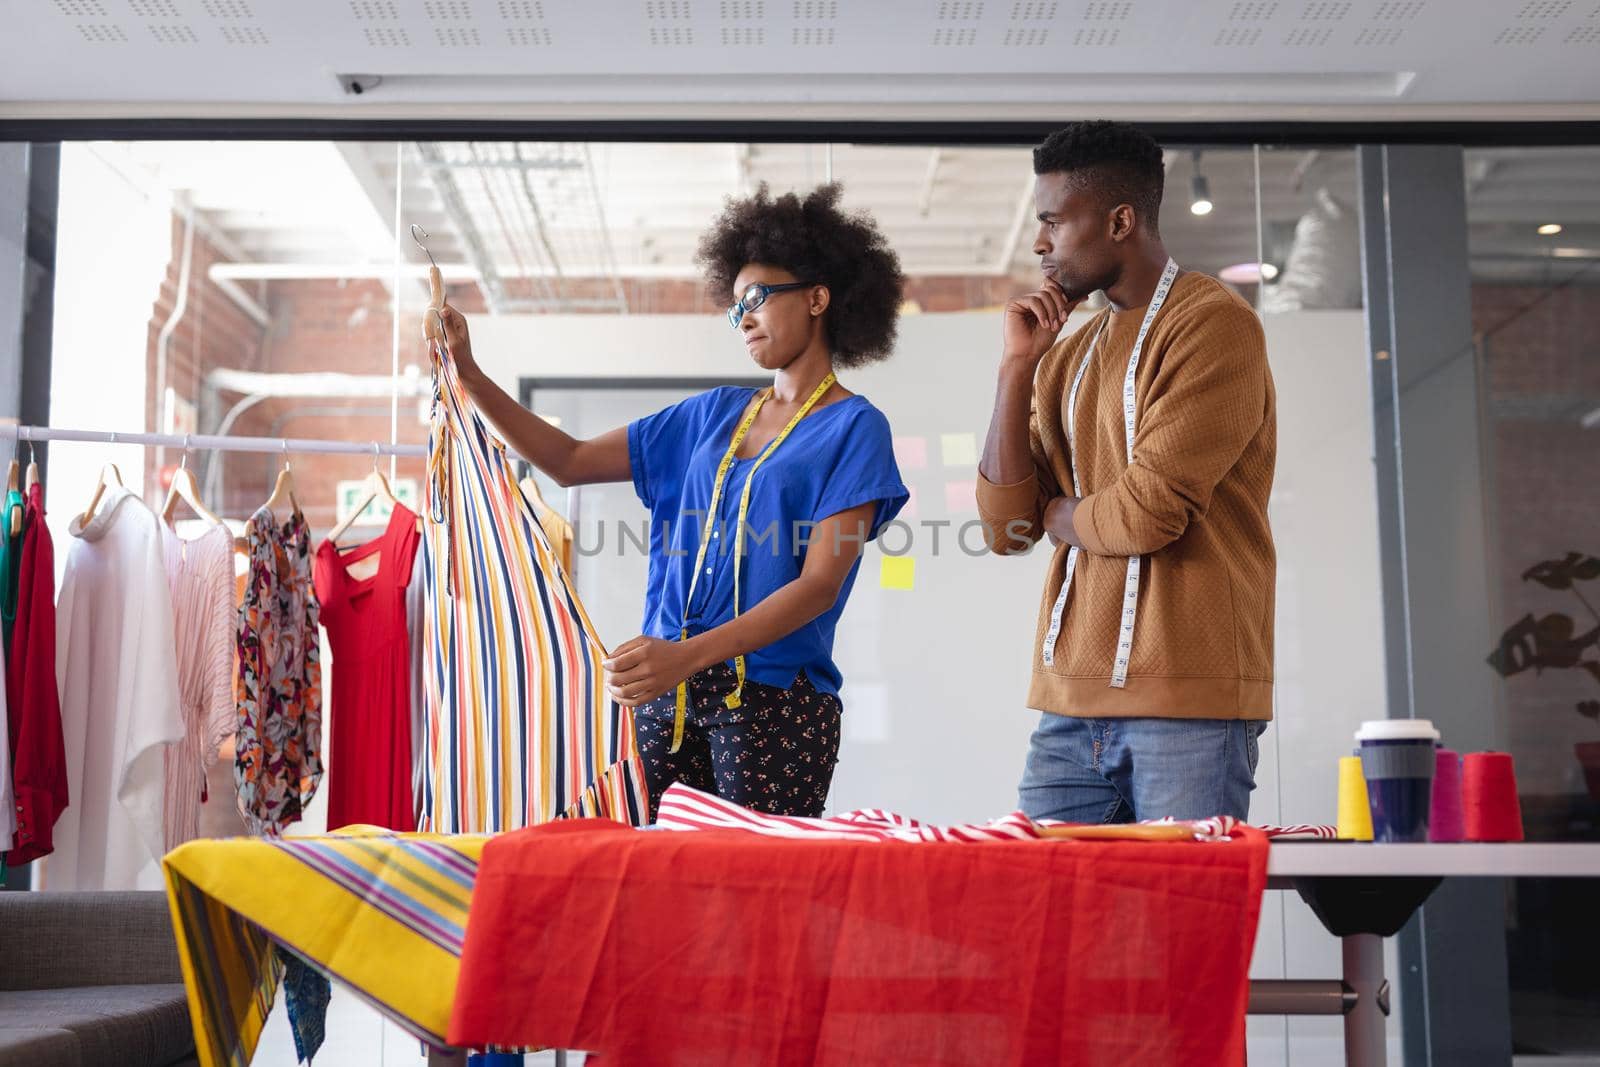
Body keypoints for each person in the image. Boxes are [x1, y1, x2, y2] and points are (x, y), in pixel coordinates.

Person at [435, 183, 908, 821]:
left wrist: (685, 655)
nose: (743, 318)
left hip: (774, 708)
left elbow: (821, 584)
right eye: (736, 305)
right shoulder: (710, 416)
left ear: (818, 298)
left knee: (750, 903)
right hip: (668, 700)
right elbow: (568, 462)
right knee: (657, 898)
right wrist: (468, 372)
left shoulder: (856, 427)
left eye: (759, 298)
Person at [976, 120, 1276, 823]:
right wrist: (1017, 368)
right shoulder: (1069, 351)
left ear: (1120, 220)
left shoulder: (1214, 324)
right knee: (1047, 927)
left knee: (1181, 930)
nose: (1041, 242)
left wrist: (1061, 515)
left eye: (1053, 220)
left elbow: (1148, 513)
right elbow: (1006, 528)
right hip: (1067, 710)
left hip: (1189, 708)